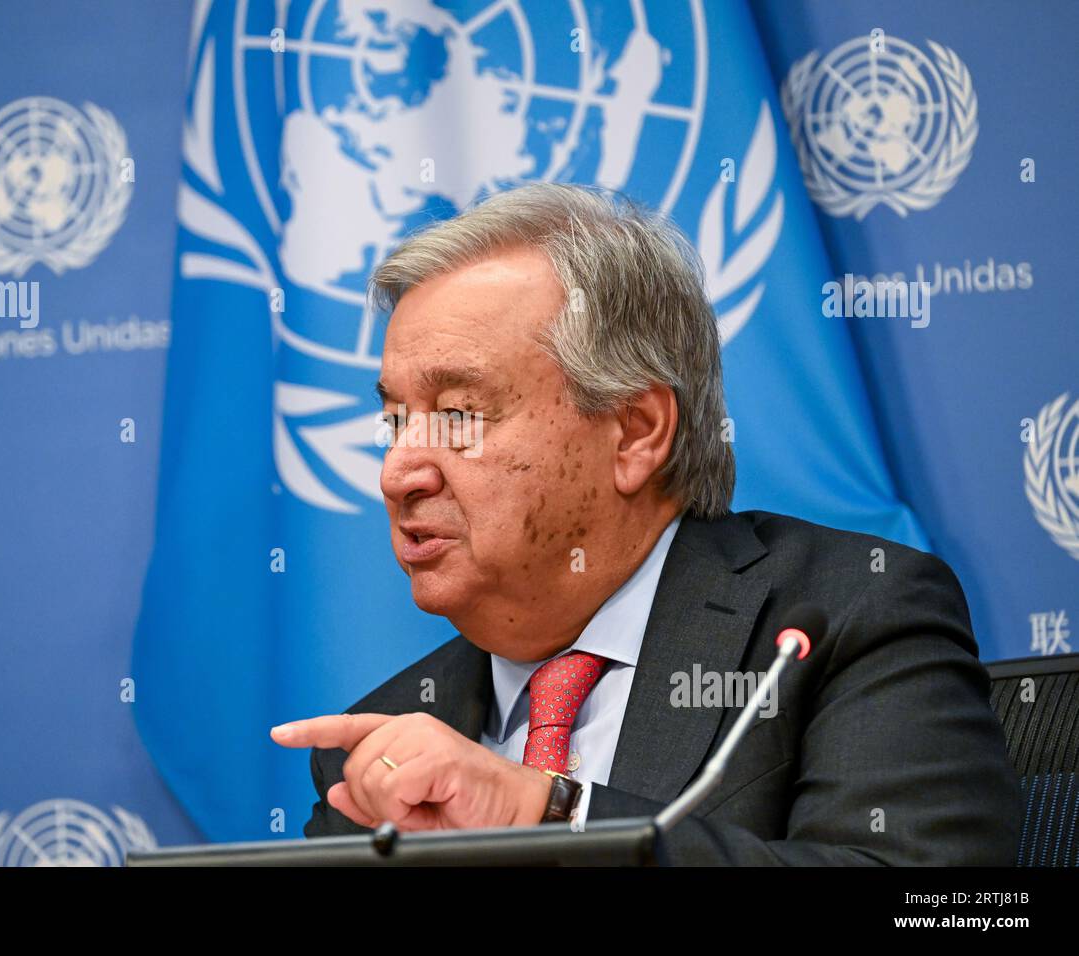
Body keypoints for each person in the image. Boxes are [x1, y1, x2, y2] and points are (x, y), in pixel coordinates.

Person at [269, 183, 1021, 864]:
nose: (399, 472)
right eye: (396, 419)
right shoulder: (385, 737)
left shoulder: (843, 619)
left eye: (459, 415)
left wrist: (549, 813)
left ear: (634, 432)